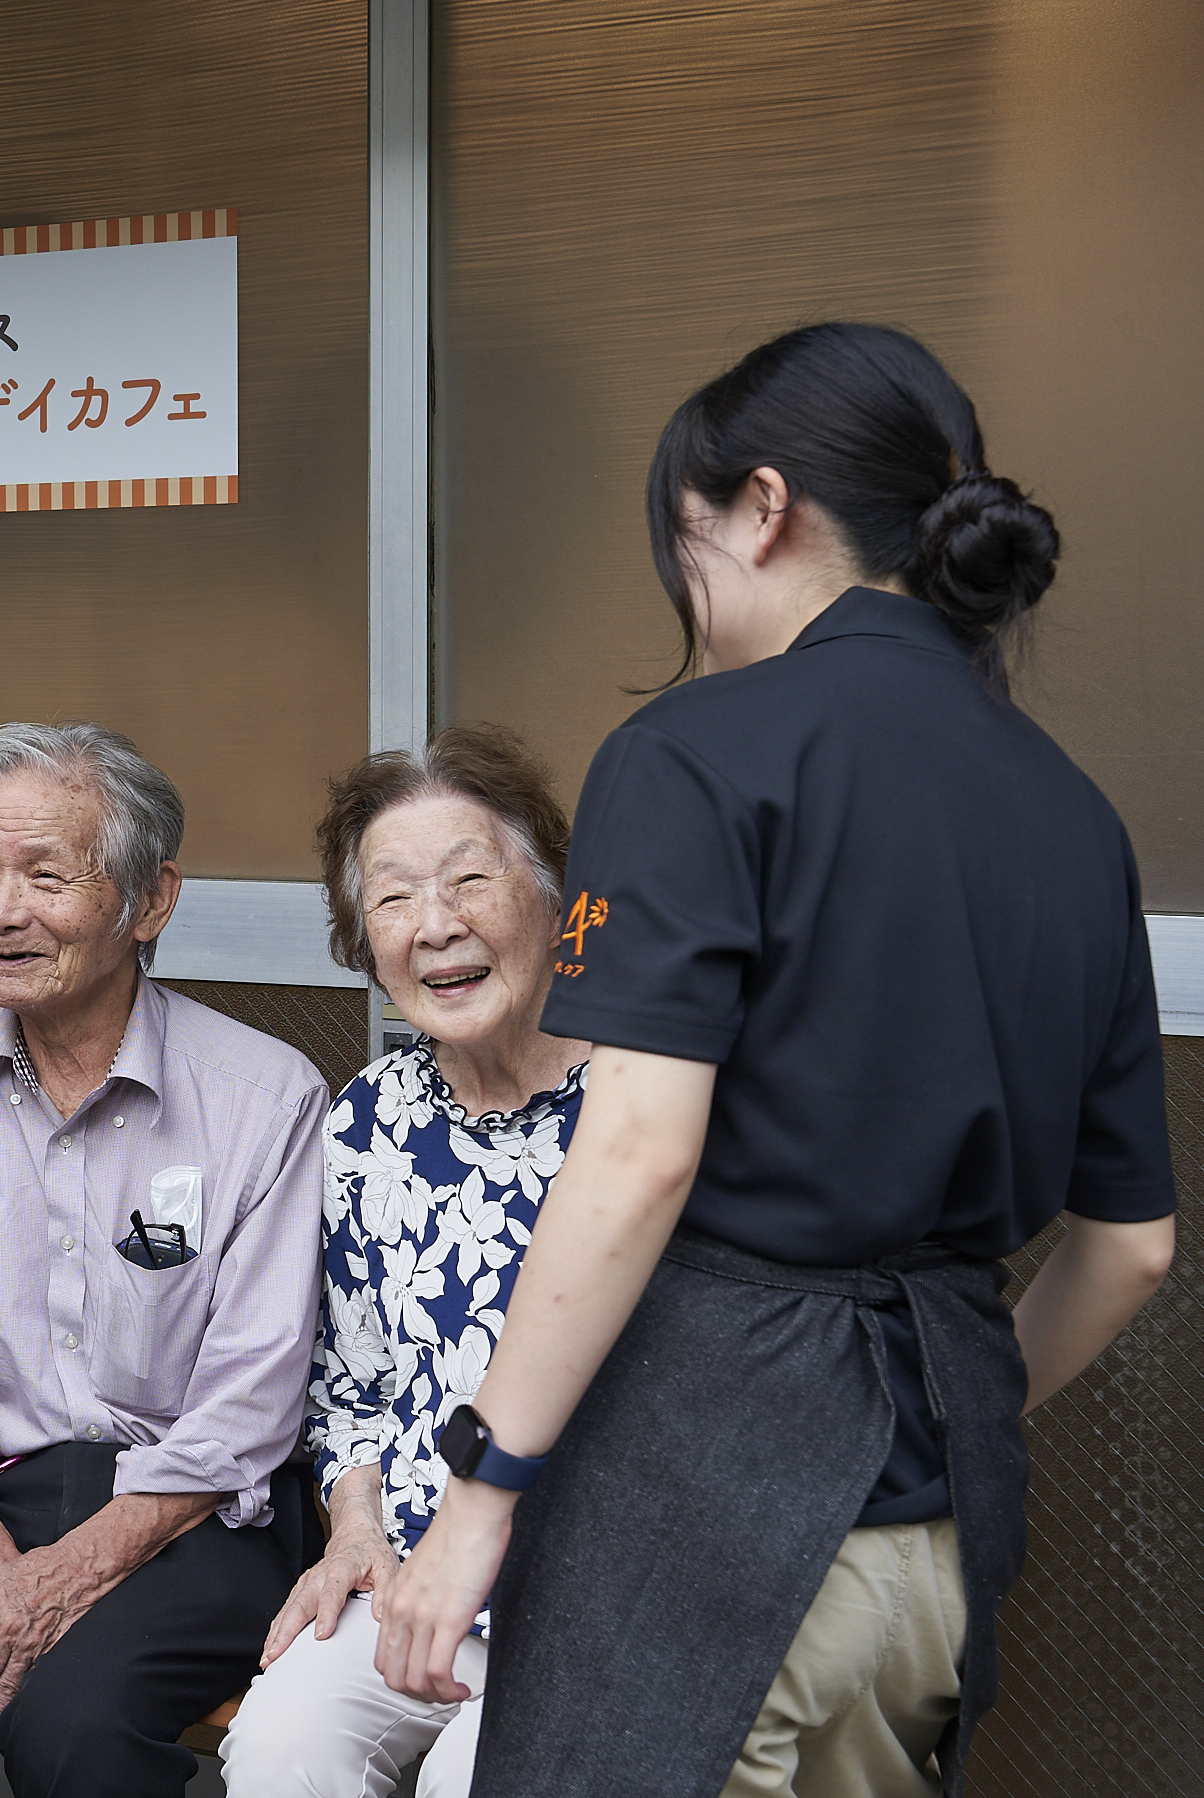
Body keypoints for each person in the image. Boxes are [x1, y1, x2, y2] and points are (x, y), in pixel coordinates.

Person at [376, 323, 1179, 1798]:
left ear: (761, 505)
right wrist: (946, 1417)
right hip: (935, 1545)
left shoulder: (694, 751)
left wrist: (483, 1488)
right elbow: (1128, 1246)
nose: (688, 599)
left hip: (702, 1525)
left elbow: (639, 1151)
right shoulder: (1073, 814)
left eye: (682, 545)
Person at [0, 722, 328, 1798]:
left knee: (72, 1729)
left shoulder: (266, 1099)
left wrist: (69, 1574)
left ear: (151, 901)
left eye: (45, 875)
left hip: (193, 1511)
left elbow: (250, 1401)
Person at [219, 725, 587, 1798]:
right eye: (392, 898)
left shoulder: (638, 1110)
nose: (437, 924)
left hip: (594, 1597)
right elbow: (350, 1386)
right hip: (412, 1578)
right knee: (281, 1748)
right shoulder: (369, 1121)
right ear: (362, 938)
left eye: (472, 878)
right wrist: (352, 1533)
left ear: (550, 894)